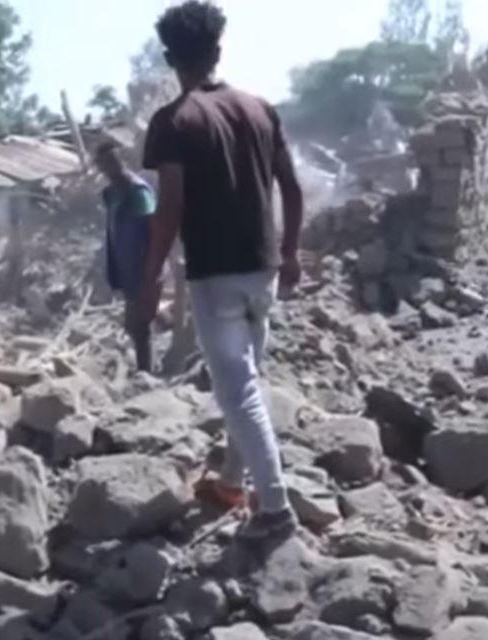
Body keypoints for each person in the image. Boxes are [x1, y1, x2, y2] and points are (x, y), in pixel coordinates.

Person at [139, 1, 305, 541]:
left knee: (237, 392)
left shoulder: (173, 122)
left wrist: (149, 281)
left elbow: (170, 210)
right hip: (263, 270)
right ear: (217, 51)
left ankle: (275, 509)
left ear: (170, 59)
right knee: (248, 382)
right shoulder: (259, 109)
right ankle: (232, 483)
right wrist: (292, 251)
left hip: (215, 276)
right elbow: (292, 187)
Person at [95, 141, 159, 373]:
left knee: (140, 324)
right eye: (106, 163)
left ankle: (146, 374)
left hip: (144, 267)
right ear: (100, 167)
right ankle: (145, 370)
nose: (112, 168)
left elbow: (153, 231)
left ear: (124, 161)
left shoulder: (137, 192)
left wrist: (152, 271)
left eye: (115, 161)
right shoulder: (110, 194)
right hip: (126, 267)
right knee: (134, 324)